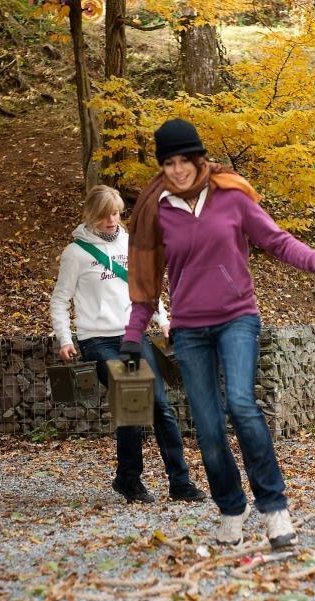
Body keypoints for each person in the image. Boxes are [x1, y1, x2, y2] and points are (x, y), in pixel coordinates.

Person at [120, 118, 315, 548]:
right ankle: (231, 509)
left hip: (237, 317)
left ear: (199, 157)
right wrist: (133, 336)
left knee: (242, 404)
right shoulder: (157, 209)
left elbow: (277, 241)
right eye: (168, 162)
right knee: (207, 426)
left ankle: (275, 508)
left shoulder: (232, 196)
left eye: (184, 159)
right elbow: (146, 284)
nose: (177, 169)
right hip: (188, 328)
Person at [50, 184, 205, 504]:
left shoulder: (131, 244)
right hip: (98, 341)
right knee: (134, 400)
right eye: (105, 214)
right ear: (91, 214)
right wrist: (65, 338)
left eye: (117, 212)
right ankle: (130, 479)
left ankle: (179, 483)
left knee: (160, 407)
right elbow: (60, 300)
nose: (112, 219)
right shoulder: (75, 254)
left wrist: (162, 320)